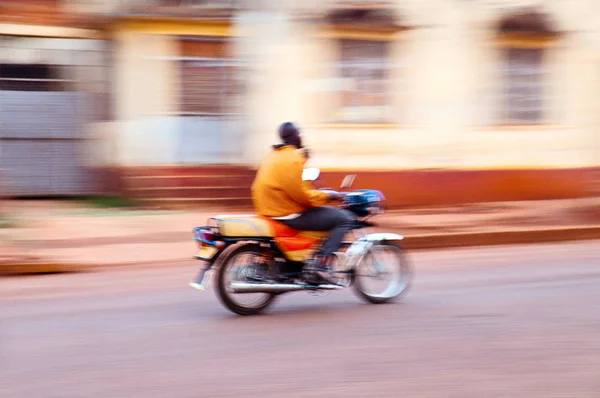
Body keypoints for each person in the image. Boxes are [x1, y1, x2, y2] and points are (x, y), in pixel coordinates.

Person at [251, 122, 355, 284]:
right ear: (293, 136)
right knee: (343, 218)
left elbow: (293, 188)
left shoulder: (272, 156)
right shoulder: (293, 158)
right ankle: (320, 267)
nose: (301, 137)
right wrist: (327, 196)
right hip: (289, 213)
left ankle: (305, 262)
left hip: (270, 210)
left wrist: (319, 195)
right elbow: (301, 196)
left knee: (327, 214)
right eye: (299, 133)